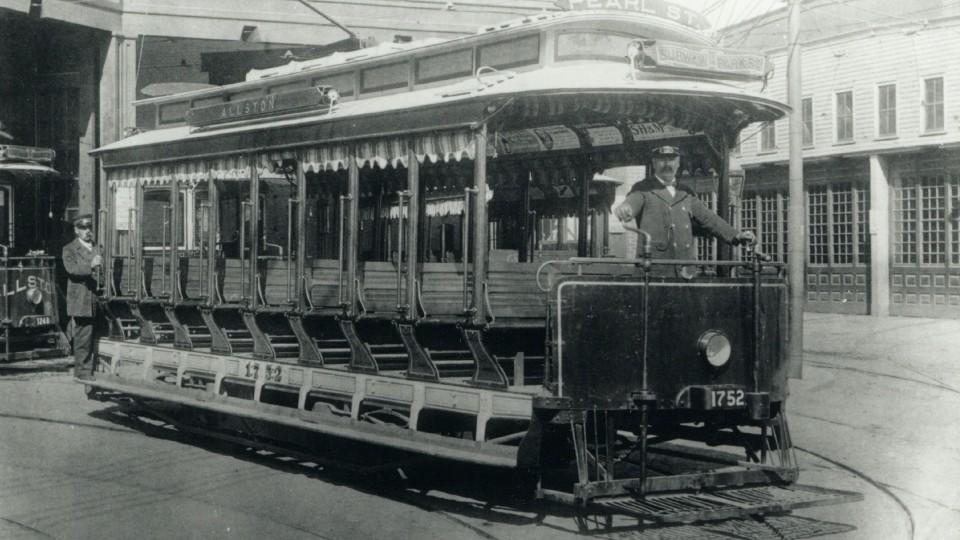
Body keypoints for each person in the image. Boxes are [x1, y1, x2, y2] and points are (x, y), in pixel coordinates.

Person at [614, 145, 754, 261]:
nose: (667, 165)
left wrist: (736, 235)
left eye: (671, 160)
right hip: (655, 270)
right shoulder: (643, 188)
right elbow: (632, 202)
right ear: (654, 163)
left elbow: (709, 218)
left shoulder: (686, 192)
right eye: (662, 160)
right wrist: (626, 209)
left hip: (685, 269)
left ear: (678, 163)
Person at [62, 214, 102, 379]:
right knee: (83, 339)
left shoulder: (99, 248)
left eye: (90, 228)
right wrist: (91, 265)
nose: (88, 231)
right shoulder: (69, 249)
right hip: (81, 301)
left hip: (98, 300)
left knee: (98, 337)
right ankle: (83, 373)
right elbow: (72, 270)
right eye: (83, 228)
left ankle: (97, 370)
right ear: (76, 230)